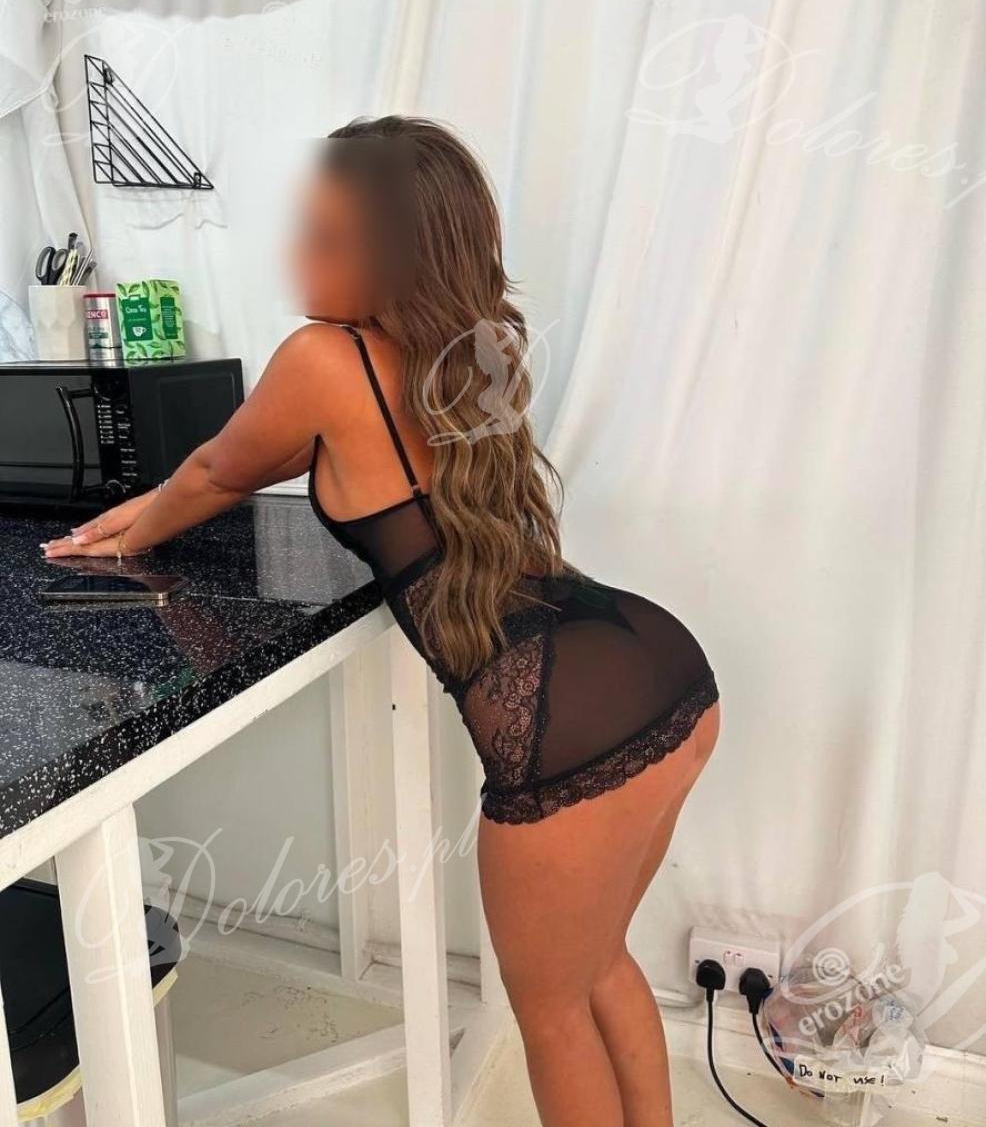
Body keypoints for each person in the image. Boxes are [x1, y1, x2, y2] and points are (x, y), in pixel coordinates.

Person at [44, 116, 721, 1126]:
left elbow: (219, 467)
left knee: (551, 1015)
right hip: (665, 670)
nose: (296, 255)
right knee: (599, 967)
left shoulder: (326, 359)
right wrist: (148, 509)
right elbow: (255, 461)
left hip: (560, 726)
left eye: (325, 239)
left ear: (396, 257)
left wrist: (123, 534)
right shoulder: (470, 353)